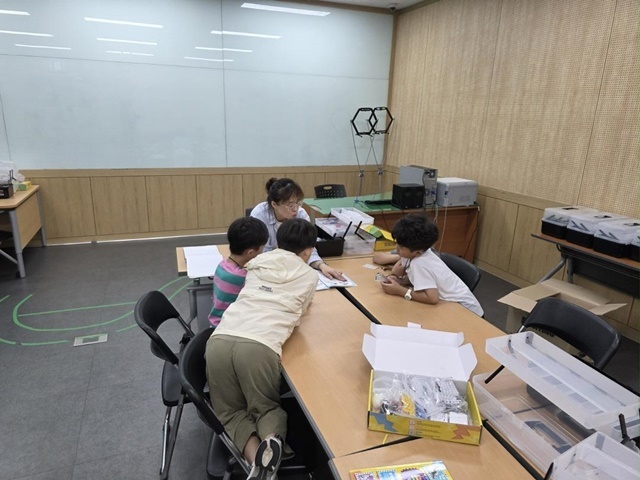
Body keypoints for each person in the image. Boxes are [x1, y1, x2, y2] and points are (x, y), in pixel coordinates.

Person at [205, 218, 319, 480]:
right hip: (259, 346)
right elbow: (300, 312)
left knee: (230, 412)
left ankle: (255, 458)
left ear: (277, 243)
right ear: (308, 251)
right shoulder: (310, 276)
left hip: (220, 339)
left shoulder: (257, 262)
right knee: (266, 408)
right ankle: (269, 447)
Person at [379, 213, 484, 317]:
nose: (396, 248)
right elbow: (401, 272)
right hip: (453, 304)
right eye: (397, 243)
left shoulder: (419, 263)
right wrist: (402, 281)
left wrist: (400, 291)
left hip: (467, 311)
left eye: (401, 247)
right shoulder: (419, 252)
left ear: (418, 252)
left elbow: (432, 298)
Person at [250, 177, 346, 280]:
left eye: (297, 202)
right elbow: (260, 253)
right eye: (289, 205)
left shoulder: (301, 215)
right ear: (274, 204)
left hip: (293, 267)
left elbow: (308, 247)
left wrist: (321, 265)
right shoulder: (259, 215)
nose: (295, 209)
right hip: (267, 270)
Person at [208, 217, 269, 327]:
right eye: (262, 248)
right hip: (228, 327)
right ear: (250, 253)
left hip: (217, 321)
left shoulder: (222, 265)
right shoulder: (242, 277)